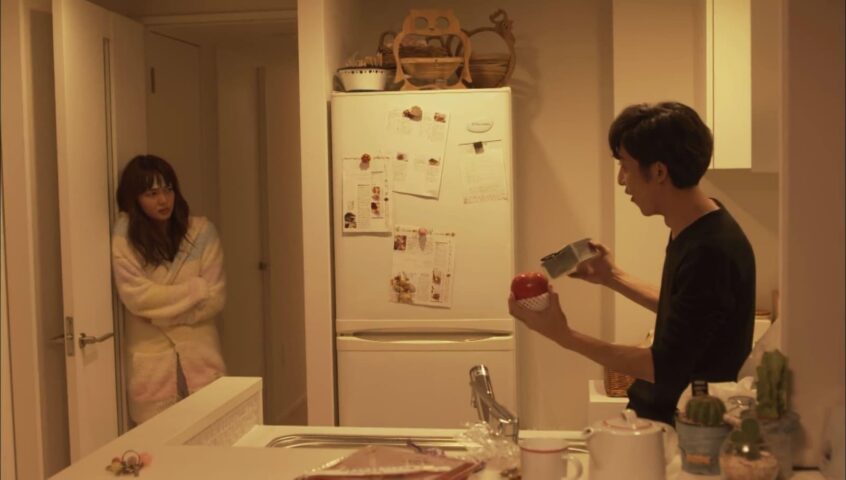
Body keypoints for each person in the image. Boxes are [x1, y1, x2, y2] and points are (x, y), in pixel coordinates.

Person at [509, 102, 755, 426]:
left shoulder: (711, 250)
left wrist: (563, 335)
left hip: (687, 429)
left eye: (625, 166)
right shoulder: (697, 225)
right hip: (666, 417)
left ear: (659, 172)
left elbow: (660, 366)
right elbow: (689, 316)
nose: (621, 180)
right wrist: (613, 277)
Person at [111, 154, 227, 424]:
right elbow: (136, 297)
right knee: (159, 440)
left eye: (168, 189)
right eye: (152, 194)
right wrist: (194, 291)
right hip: (153, 365)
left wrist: (156, 314)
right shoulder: (125, 237)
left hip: (201, 357)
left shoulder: (201, 232)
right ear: (135, 198)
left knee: (212, 434)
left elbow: (215, 297)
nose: (163, 200)